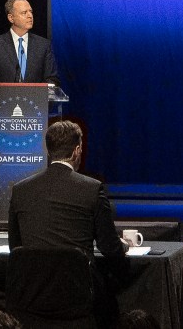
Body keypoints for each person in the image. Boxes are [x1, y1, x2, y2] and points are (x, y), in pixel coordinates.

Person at [8, 120, 129, 328]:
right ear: (77, 150)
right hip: (79, 294)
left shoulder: (20, 190)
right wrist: (124, 245)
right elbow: (109, 248)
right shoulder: (92, 189)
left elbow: (15, 248)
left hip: (31, 293)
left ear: (48, 151)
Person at [0, 0, 60, 85]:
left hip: (35, 98)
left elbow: (52, 79)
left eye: (31, 11)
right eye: (24, 12)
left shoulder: (43, 45)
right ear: (11, 18)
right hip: (5, 98)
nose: (30, 16)